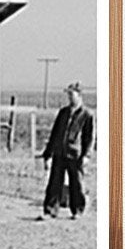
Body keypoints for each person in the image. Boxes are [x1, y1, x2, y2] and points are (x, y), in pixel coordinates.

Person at [41, 82, 94, 219]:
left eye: (72, 94)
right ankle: (50, 210)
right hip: (60, 152)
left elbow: (89, 137)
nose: (69, 97)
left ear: (79, 95)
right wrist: (48, 153)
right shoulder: (63, 112)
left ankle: (77, 210)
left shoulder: (87, 115)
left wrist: (86, 155)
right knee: (54, 182)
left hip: (75, 154)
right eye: (68, 95)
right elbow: (55, 133)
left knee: (76, 183)